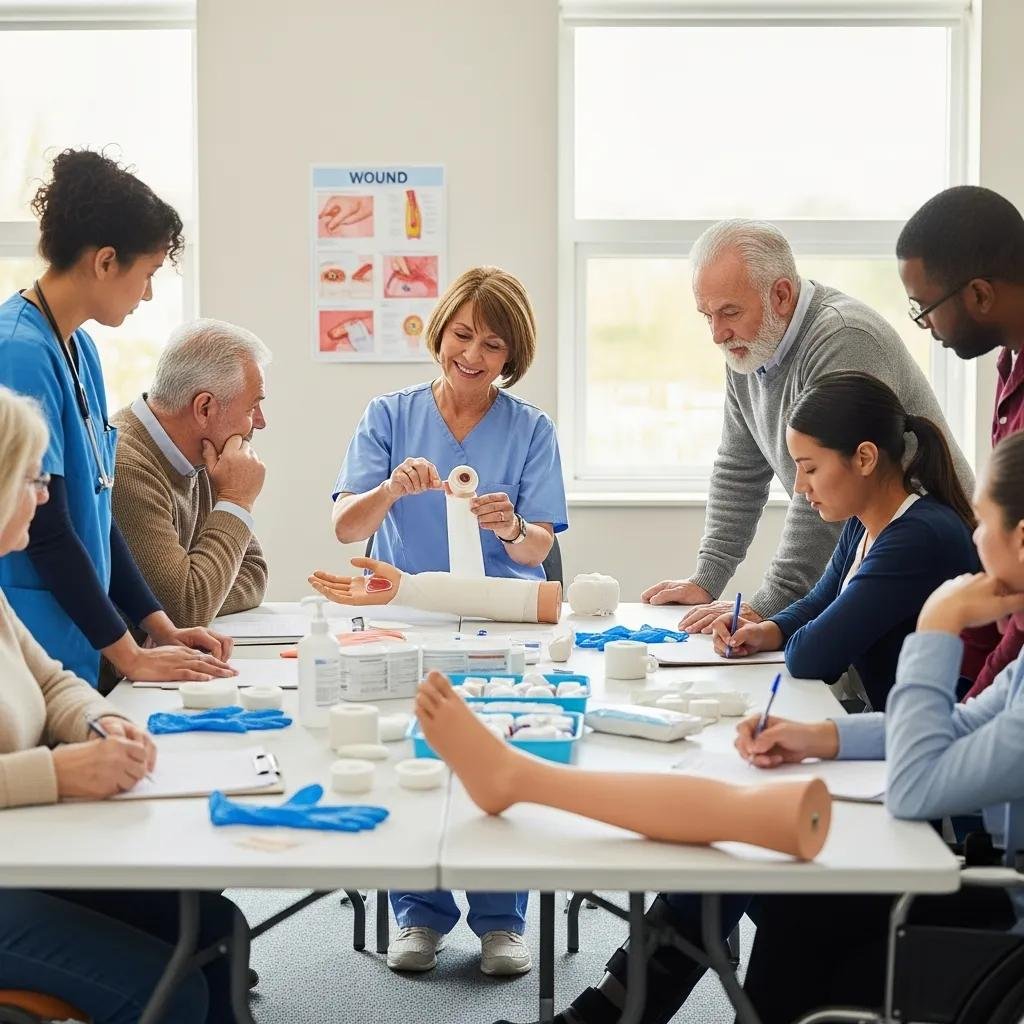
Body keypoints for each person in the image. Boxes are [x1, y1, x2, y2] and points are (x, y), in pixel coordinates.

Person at [497, 431, 1024, 1024]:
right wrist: (817, 737)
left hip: (992, 917)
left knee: (768, 867)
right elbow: (961, 723)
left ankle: (605, 1014)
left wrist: (938, 624)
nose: (973, 543)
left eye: (983, 526)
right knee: (749, 853)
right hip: (973, 874)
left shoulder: (924, 535)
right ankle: (609, 1014)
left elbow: (916, 785)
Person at [331, 265, 569, 976]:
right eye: (462, 335)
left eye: (492, 345)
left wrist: (512, 526)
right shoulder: (389, 416)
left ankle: (503, 922)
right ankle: (420, 915)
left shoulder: (529, 429)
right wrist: (387, 489)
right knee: (417, 758)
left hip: (502, 621)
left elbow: (541, 545)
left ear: (512, 356)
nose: (472, 355)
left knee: (500, 756)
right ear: (440, 332)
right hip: (411, 617)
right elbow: (347, 528)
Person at [0, 386, 238, 1023]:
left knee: (218, 929)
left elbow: (51, 681)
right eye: (33, 481)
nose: (48, 498)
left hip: (18, 848)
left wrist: (99, 720)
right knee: (179, 988)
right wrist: (60, 773)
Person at [640, 219, 972, 635]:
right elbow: (738, 469)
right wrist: (707, 579)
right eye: (707, 315)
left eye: (729, 312)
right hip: (872, 548)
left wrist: (768, 607)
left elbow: (833, 482)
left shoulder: (843, 338)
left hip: (926, 554)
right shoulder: (748, 347)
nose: (717, 334)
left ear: (781, 294)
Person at [0, 149, 235, 689]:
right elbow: (47, 527)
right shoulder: (20, 353)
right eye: (148, 272)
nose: (148, 292)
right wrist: (132, 656)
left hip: (77, 649)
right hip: (33, 651)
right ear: (106, 261)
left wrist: (161, 626)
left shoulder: (78, 347)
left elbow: (97, 510)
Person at [710, 371, 981, 710]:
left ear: (864, 458)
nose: (799, 486)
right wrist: (768, 630)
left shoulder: (919, 538)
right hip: (889, 719)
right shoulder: (863, 522)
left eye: (810, 469)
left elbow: (813, 657)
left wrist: (793, 641)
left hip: (937, 731)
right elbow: (819, 603)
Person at [896, 185, 1024, 696]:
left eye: (923, 306)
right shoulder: (1009, 362)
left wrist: (966, 710)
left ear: (979, 295)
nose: (924, 323)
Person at [110, 318, 270, 629]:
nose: (261, 422)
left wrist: (202, 592)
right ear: (204, 408)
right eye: (253, 408)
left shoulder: (204, 454)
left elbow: (254, 572)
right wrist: (236, 500)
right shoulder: (127, 465)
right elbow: (185, 610)